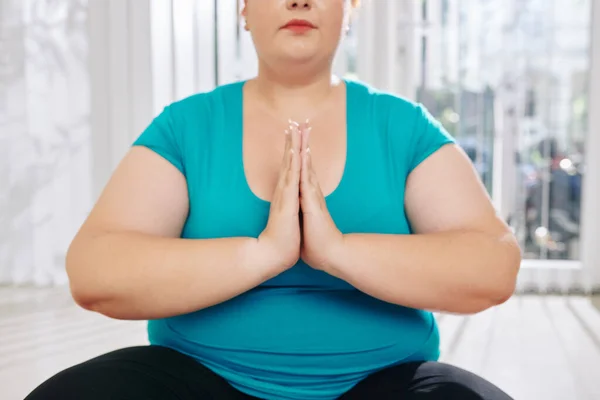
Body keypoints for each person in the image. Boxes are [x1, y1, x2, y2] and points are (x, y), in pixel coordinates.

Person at [26, 1, 521, 399]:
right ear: (243, 9)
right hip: (199, 379)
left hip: (382, 383)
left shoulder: (403, 127)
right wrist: (265, 252)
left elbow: (491, 266)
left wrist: (336, 251)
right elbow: (94, 273)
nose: (298, 1)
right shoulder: (186, 126)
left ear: (350, 7)